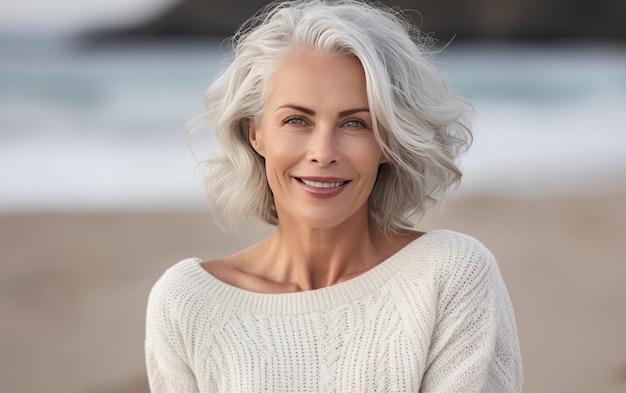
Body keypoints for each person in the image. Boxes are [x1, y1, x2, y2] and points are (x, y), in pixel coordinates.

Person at [145, 0, 523, 391]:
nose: (323, 152)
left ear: (389, 141)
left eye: (355, 123)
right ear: (254, 132)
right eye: (296, 120)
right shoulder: (186, 301)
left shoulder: (450, 275)